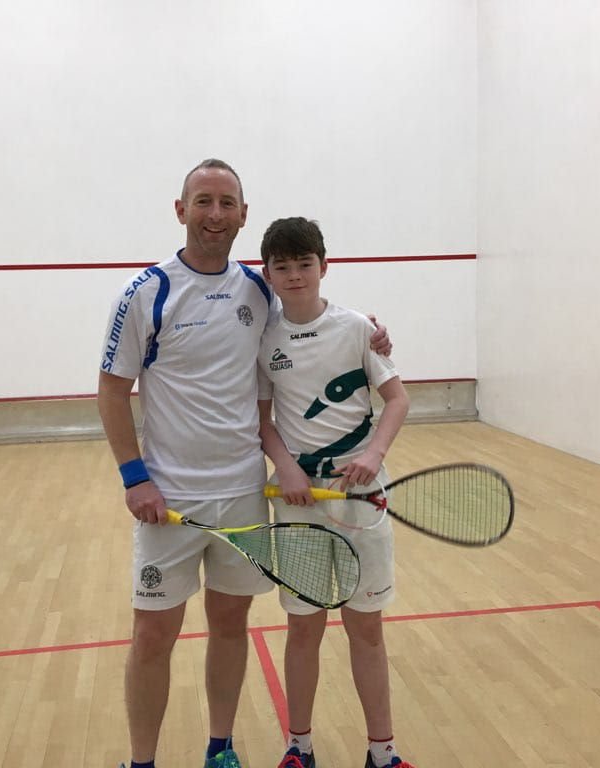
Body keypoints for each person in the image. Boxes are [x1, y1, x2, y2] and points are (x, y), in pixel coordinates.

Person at [98, 160, 392, 768]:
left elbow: (314, 332)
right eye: (202, 201)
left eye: (226, 202)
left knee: (230, 625)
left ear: (242, 214)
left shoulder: (257, 292)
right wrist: (134, 476)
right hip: (168, 500)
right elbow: (110, 389)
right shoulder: (146, 293)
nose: (214, 214)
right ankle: (142, 761)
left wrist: (373, 336)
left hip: (242, 495)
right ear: (180, 209)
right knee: (153, 635)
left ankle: (220, 748)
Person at [254, 217, 415, 768]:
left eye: (305, 264)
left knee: (365, 626)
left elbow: (396, 399)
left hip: (360, 499)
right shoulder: (263, 339)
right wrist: (285, 469)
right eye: (283, 266)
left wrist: (373, 455)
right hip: (297, 500)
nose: (295, 275)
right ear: (268, 273)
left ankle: (383, 752)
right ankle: (299, 748)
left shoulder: (355, 329)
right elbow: (262, 419)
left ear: (324, 266)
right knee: (303, 627)